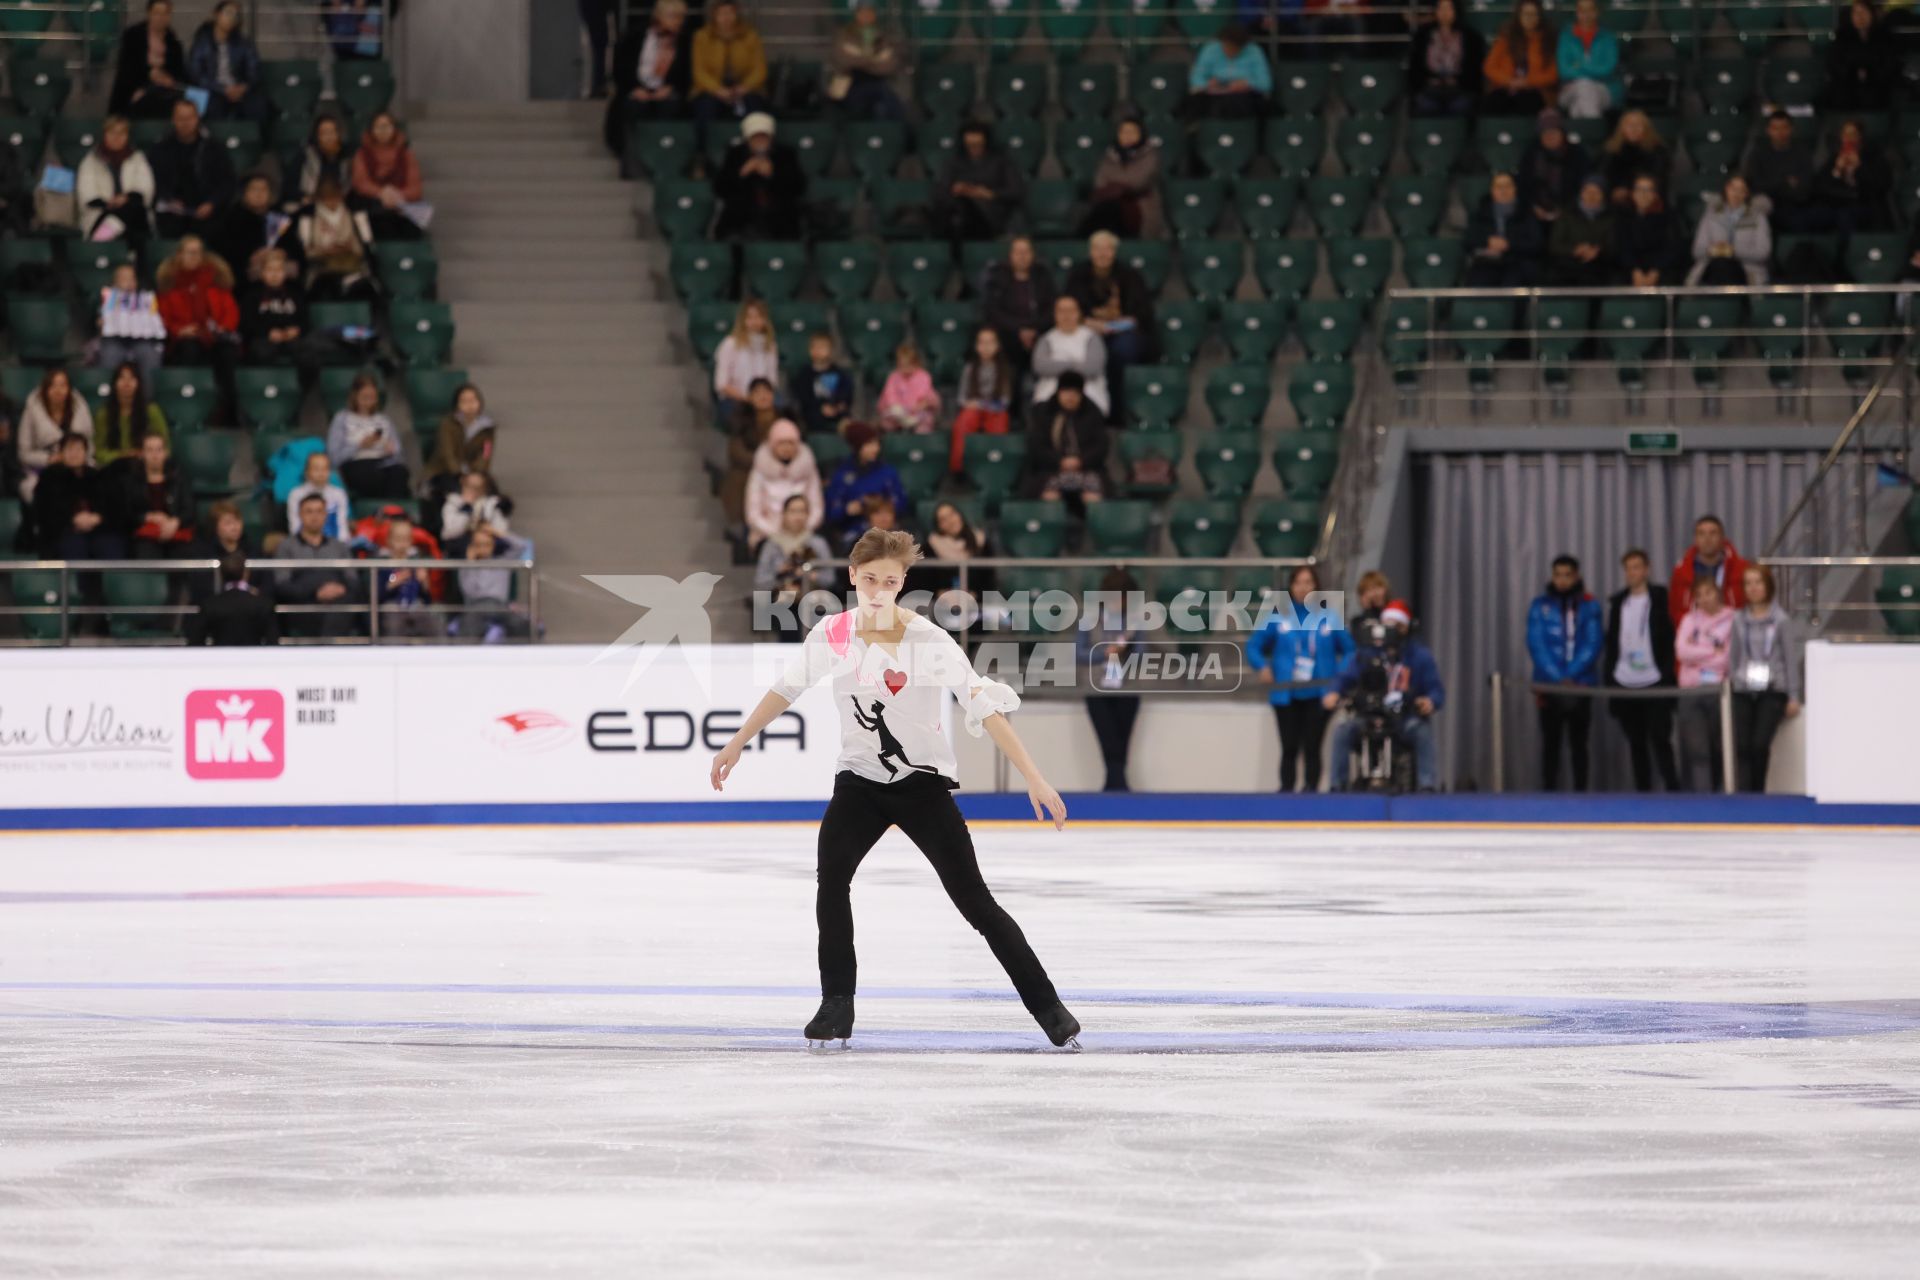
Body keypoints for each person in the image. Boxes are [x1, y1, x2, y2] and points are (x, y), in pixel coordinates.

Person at [710, 526, 1081, 1051]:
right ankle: (836, 1004)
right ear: (853, 578)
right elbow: (785, 689)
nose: (880, 590)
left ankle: (1049, 1008)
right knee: (831, 884)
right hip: (858, 783)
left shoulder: (929, 640)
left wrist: (1035, 777)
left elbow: (983, 705)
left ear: (903, 581)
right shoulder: (833, 634)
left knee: (974, 901)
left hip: (923, 787)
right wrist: (737, 742)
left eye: (891, 580)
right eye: (870, 580)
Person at [1249, 563, 1354, 794]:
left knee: (1312, 746)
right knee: (1289, 747)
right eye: (1298, 583)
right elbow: (1254, 646)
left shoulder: (1329, 617)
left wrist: (1339, 679)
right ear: (1291, 586)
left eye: (1308, 582)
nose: (1303, 588)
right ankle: (1286, 792)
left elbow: (1350, 650)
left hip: (1319, 693)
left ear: (1316, 586)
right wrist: (1262, 666)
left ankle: (1310, 792)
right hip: (1286, 693)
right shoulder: (1278, 616)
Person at [1324, 600, 1445, 792]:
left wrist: (1430, 701)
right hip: (1369, 714)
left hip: (1403, 716)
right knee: (1343, 730)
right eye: (1388, 625)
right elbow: (1344, 677)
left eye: (1398, 626)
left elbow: (1436, 690)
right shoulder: (1364, 654)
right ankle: (1337, 785)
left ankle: (1426, 785)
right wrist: (1334, 692)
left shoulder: (1420, 656)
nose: (1393, 631)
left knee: (1421, 732)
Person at [1526, 554, 1604, 791]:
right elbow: (1536, 643)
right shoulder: (1540, 606)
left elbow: (1593, 643)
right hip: (1549, 685)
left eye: (1567, 575)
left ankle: (1582, 793)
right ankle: (1548, 792)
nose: (1562, 580)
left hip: (1580, 684)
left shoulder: (1589, 606)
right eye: (1557, 575)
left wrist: (1572, 674)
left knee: (1579, 743)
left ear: (1576, 576)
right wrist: (1558, 677)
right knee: (1551, 743)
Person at [1605, 548, 1680, 792]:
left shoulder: (1660, 598)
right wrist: (1611, 681)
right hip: (1626, 679)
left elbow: (1669, 637)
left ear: (1646, 570)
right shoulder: (1618, 603)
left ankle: (1673, 789)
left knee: (1660, 739)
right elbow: (1612, 642)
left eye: (1637, 567)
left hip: (1655, 679)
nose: (1632, 573)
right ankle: (1643, 793)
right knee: (1636, 742)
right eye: (1628, 568)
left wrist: (1668, 674)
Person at [1726, 565, 1803, 793]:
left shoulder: (1780, 620)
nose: (1753, 588)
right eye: (1748, 583)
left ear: (1767, 586)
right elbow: (1734, 656)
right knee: (1741, 745)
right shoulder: (1739, 620)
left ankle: (1757, 793)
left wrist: (1793, 696)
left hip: (1773, 688)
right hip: (1743, 688)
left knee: (1759, 744)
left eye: (1758, 582)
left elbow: (1790, 658)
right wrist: (1733, 681)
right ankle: (1743, 793)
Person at [1064, 231, 1154, 423]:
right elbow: (1069, 309)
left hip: (1123, 332)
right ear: (1090, 252)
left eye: (1107, 249)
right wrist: (1089, 323)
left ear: (1114, 252)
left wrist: (1112, 326)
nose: (1102, 254)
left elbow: (1141, 314)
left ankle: (1116, 413)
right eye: (1097, 249)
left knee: (1121, 352)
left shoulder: (1130, 275)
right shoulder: (1078, 276)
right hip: (1087, 330)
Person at [1077, 568, 1144, 792]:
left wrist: (1124, 654)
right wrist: (1104, 653)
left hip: (1127, 687)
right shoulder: (1090, 619)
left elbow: (1141, 654)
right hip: (1096, 687)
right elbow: (1079, 653)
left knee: (1122, 742)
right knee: (1108, 740)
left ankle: (1114, 787)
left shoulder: (1136, 622)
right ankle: (1118, 787)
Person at [604, 0, 693, 160]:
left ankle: (665, 155)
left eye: (681, 17)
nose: (678, 21)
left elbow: (687, 74)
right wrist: (635, 88)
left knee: (671, 106)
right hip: (636, 88)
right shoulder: (635, 36)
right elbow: (620, 68)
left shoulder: (686, 42)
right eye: (673, 16)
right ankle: (632, 156)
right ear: (659, 16)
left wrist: (671, 88)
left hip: (667, 91)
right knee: (633, 107)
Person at [1674, 575, 1734, 792]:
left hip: (1719, 691)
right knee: (1697, 749)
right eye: (1698, 595)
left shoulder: (1732, 619)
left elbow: (1726, 658)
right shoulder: (1689, 620)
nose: (1704, 599)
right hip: (1691, 690)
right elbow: (1682, 652)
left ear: (1718, 592)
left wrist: (1697, 653)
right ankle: (1703, 798)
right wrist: (1711, 651)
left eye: (1708, 593)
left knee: (1720, 747)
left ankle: (1723, 794)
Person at [146, 97, 235, 237]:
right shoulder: (160, 149)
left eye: (189, 118)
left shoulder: (213, 148)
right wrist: (169, 199)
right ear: (173, 119)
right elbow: (152, 180)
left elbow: (227, 182)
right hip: (172, 211)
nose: (185, 123)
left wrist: (212, 203)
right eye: (180, 118)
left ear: (197, 118)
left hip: (208, 209)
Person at [711, 111, 806, 241]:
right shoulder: (735, 155)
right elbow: (720, 189)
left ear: (771, 138)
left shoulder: (785, 155)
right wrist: (742, 172)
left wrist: (773, 174)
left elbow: (798, 188)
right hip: (741, 221)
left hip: (779, 220)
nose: (760, 141)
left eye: (764, 137)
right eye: (755, 137)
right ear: (747, 138)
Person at [273, 491, 358, 637]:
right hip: (303, 604)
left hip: (338, 601)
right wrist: (315, 593)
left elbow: (353, 580)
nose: (314, 516)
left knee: (347, 603)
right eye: (309, 511)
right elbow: (282, 584)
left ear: (326, 514)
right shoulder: (286, 546)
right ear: (300, 514)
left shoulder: (339, 546)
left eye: (319, 511)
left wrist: (338, 589)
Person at [755, 492, 834, 641]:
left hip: (813, 596)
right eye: (793, 511)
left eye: (802, 511)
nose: (797, 516)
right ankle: (789, 654)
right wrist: (779, 574)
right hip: (783, 597)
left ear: (808, 514)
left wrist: (809, 575)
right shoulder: (772, 545)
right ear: (784, 514)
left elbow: (830, 579)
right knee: (785, 605)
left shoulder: (818, 543)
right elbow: (761, 581)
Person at [31, 433, 121, 560]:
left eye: (79, 449)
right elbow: (44, 512)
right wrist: (72, 519)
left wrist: (98, 518)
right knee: (75, 546)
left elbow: (112, 506)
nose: (75, 453)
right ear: (61, 453)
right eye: (70, 449)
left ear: (86, 453)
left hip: (98, 528)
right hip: (62, 531)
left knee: (110, 545)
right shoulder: (49, 478)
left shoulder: (97, 476)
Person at [930, 121, 1024, 244]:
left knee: (960, 214)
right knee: (953, 211)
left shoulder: (1001, 161)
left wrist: (989, 193)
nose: (973, 148)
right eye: (969, 145)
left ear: (985, 143)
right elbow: (941, 191)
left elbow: (1016, 191)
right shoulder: (954, 162)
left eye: (978, 144)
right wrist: (959, 190)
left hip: (991, 214)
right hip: (959, 211)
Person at [1024, 371, 1108, 506]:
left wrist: (1080, 461)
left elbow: (1101, 445)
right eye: (1066, 392)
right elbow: (1036, 445)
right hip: (1051, 470)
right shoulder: (1044, 413)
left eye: (1075, 393)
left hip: (1086, 470)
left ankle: (1093, 526)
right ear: (1058, 392)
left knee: (1093, 496)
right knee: (1049, 495)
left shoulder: (1092, 412)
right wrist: (1059, 461)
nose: (1070, 397)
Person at [689, 0, 770, 136]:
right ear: (714, 15)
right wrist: (717, 90)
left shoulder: (750, 36)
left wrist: (744, 87)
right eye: (721, 13)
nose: (726, 17)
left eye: (730, 13)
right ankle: (703, 150)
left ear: (736, 14)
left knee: (754, 105)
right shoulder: (702, 37)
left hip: (744, 88)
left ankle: (751, 148)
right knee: (705, 106)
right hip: (712, 89)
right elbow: (699, 72)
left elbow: (759, 70)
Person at [744, 419, 824, 556]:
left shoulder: (808, 468)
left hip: (803, 533)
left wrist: (801, 529)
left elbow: (816, 507)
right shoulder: (760, 470)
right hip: (768, 534)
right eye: (782, 443)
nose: (786, 448)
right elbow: (753, 513)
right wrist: (778, 533)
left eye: (791, 443)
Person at [824, 421, 907, 550]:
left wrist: (879, 505)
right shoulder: (842, 474)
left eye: (877, 443)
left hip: (886, 530)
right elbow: (832, 512)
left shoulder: (887, 472)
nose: (875, 448)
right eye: (869, 444)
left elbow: (901, 503)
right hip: (854, 532)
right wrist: (848, 509)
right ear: (857, 447)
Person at [15, 369, 94, 504]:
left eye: (63, 385)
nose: (58, 390)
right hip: (43, 468)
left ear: (69, 388)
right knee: (35, 489)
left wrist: (76, 458)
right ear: (46, 389)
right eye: (53, 385)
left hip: (78, 466)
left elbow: (90, 445)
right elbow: (24, 453)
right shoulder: (32, 408)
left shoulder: (80, 407)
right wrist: (49, 459)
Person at [326, 372, 409, 499]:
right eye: (364, 397)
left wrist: (391, 450)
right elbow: (334, 456)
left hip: (383, 462)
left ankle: (392, 512)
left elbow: (399, 453)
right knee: (371, 475)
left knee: (400, 473)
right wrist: (360, 445)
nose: (368, 402)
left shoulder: (384, 420)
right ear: (355, 396)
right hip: (356, 463)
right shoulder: (342, 419)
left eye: (372, 397)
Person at [113, 431, 195, 559]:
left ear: (165, 453)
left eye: (159, 450)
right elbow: (125, 513)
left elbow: (189, 510)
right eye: (150, 450)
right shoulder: (130, 481)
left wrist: (175, 522)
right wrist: (147, 517)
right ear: (142, 454)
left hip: (176, 532)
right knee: (145, 553)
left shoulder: (179, 478)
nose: (155, 455)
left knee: (186, 555)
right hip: (145, 536)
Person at [76, 115, 156, 244]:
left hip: (133, 210)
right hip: (101, 213)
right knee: (127, 214)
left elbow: (146, 188)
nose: (116, 137)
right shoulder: (91, 161)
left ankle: (101, 239)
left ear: (127, 136)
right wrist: (109, 203)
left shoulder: (137, 158)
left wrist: (126, 198)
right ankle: (131, 252)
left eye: (121, 133)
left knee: (133, 210)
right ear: (105, 135)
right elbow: (86, 193)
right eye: (112, 132)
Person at [1079, 117, 1163, 240]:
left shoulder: (1150, 155)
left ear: (1141, 134)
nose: (1127, 135)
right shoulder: (1109, 156)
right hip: (1108, 204)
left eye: (1132, 132)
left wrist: (1114, 187)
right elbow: (1099, 182)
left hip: (1139, 206)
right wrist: (1118, 187)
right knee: (1089, 210)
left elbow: (1138, 182)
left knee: (1110, 210)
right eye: (1123, 132)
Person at [295, 175, 376, 300]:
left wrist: (347, 248)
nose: (331, 202)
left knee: (362, 288)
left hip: (351, 265)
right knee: (325, 288)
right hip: (321, 269)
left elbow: (364, 246)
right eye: (326, 199)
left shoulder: (353, 214)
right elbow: (305, 250)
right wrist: (324, 251)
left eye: (335, 198)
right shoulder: (308, 218)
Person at [980, 236, 1056, 370]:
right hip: (1008, 335)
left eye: (1026, 252)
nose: (1022, 256)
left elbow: (1051, 308)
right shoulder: (998, 277)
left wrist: (1033, 329)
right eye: (1018, 252)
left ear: (1032, 255)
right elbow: (993, 311)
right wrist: (1020, 329)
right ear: (1010, 255)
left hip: (1039, 332)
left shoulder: (1043, 276)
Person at [238, 248, 313, 377]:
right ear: (262, 273)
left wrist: (296, 330)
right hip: (263, 339)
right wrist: (268, 333)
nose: (274, 274)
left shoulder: (295, 294)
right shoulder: (252, 295)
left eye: (278, 270)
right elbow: (246, 324)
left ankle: (309, 393)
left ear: (285, 273)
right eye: (270, 270)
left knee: (307, 352)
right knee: (261, 351)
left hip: (291, 339)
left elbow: (305, 321)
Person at [186, 1, 265, 123]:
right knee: (211, 106)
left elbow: (254, 71)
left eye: (236, 15)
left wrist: (242, 87)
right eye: (228, 13)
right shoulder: (202, 42)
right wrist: (222, 89)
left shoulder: (243, 43)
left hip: (238, 90)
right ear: (216, 15)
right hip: (212, 90)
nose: (232, 18)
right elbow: (196, 73)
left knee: (258, 106)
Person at [949, 325, 1014, 474]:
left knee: (999, 421)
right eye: (982, 343)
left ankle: (995, 467)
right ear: (976, 346)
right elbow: (962, 398)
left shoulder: (1004, 369)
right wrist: (973, 405)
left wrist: (983, 404)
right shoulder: (969, 368)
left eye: (990, 342)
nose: (986, 347)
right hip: (973, 410)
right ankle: (959, 468)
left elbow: (1005, 401)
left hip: (995, 410)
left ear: (997, 346)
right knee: (963, 422)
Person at [1030, 294, 1109, 416]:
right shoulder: (1046, 338)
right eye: (1061, 311)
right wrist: (1074, 363)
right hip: (1051, 393)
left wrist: (1057, 365)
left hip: (1087, 391)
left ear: (1079, 313)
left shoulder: (1091, 337)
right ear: (1055, 314)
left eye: (1071, 310)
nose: (1066, 315)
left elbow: (1093, 367)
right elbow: (1040, 366)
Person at [351, 111, 425, 240]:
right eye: (379, 127)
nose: (383, 131)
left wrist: (398, 196)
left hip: (401, 202)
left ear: (394, 129)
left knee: (413, 217)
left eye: (387, 126)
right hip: (373, 202)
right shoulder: (362, 154)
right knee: (379, 216)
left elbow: (415, 188)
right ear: (372, 130)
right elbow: (360, 182)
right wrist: (382, 193)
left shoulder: (406, 155)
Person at [1745, 109, 1821, 233]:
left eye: (1784, 127)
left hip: (1795, 207)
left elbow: (1804, 190)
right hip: (1765, 204)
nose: (1780, 132)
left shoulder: (1803, 154)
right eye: (1775, 128)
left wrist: (1772, 185)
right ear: (1768, 130)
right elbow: (1755, 185)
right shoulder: (1758, 154)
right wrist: (1785, 182)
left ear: (1791, 129)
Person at [1687, 174, 1771, 287]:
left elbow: (1763, 252)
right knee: (1720, 265)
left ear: (1747, 193)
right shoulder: (1711, 215)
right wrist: (1713, 250)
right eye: (1733, 188)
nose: (1736, 193)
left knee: (1725, 266)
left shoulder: (1758, 218)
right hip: (1713, 268)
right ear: (1726, 189)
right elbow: (1697, 251)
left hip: (1746, 271)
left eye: (1741, 190)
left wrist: (1732, 251)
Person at [213, 174, 295, 286]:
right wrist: (252, 256)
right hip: (245, 273)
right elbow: (223, 248)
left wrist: (283, 252)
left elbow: (295, 246)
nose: (259, 194)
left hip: (279, 269)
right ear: (245, 193)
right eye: (254, 189)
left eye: (263, 189)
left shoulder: (279, 216)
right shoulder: (232, 217)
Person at [110, 0, 187, 119]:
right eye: (157, 13)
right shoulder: (133, 35)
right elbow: (126, 68)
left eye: (165, 14)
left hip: (165, 92)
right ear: (149, 14)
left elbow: (179, 72)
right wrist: (150, 74)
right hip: (133, 88)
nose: (160, 18)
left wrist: (168, 79)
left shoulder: (174, 43)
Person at [1464, 171, 1543, 287]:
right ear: (1492, 190)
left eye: (1507, 186)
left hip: (1518, 263)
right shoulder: (1480, 213)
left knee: (1513, 285)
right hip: (1486, 263)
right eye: (1499, 186)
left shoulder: (1527, 213)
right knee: (1476, 285)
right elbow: (1468, 240)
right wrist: (1488, 242)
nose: (1503, 190)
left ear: (1514, 189)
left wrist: (1509, 244)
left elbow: (1536, 243)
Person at [829, 1, 904, 122]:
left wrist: (860, 58)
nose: (866, 15)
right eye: (863, 12)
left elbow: (890, 64)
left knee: (890, 104)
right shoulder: (844, 34)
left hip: (878, 81)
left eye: (870, 12)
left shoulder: (884, 36)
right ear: (856, 14)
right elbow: (842, 59)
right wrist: (874, 59)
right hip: (850, 81)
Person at [450, 524, 525, 643]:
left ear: (493, 544)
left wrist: (497, 532)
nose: (483, 548)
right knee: (468, 625)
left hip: (500, 607)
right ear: (472, 546)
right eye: (478, 545)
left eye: (487, 544)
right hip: (476, 607)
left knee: (521, 623)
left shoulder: (503, 561)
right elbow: (469, 592)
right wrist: (470, 564)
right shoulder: (466, 567)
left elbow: (521, 545)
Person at [1668, 515, 1749, 625]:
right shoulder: (1681, 571)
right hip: (1694, 636)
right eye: (1701, 534)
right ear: (1695, 539)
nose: (1707, 539)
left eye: (1713, 533)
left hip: (1731, 633)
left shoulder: (1741, 568)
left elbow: (1750, 605)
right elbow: (1674, 609)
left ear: (1722, 538)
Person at [1409, 0, 1485, 118]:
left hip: (1460, 88)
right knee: (1424, 105)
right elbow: (1415, 67)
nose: (1444, 13)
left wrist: (1458, 81)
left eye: (1448, 9)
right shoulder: (1422, 35)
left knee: (1461, 105)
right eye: (1441, 8)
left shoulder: (1471, 37)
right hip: (1429, 88)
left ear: (1456, 11)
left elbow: (1474, 70)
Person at [1814, 119, 1891, 234]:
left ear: (1860, 137)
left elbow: (1880, 186)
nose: (1848, 139)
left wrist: (1859, 167)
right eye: (1845, 134)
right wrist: (1837, 171)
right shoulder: (1834, 158)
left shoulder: (1873, 157)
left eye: (1853, 135)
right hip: (1837, 204)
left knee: (1845, 216)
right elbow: (1821, 185)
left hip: (1865, 204)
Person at [95, 262, 168, 383]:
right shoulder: (106, 298)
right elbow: (96, 319)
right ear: (115, 281)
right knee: (110, 355)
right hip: (114, 340)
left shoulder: (146, 299)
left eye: (132, 278)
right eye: (124, 279)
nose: (128, 282)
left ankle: (148, 399)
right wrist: (100, 322)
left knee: (150, 355)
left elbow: (157, 324)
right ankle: (108, 397)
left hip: (142, 340)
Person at [723, 376, 781, 526]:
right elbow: (736, 451)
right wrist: (762, 462)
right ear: (749, 397)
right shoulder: (741, 421)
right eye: (757, 392)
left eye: (766, 392)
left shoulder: (784, 421)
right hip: (748, 471)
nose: (763, 396)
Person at [1482, 0, 1556, 116]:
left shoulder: (1547, 40)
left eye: (1534, 14)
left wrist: (1528, 82)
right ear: (1519, 16)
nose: (1530, 18)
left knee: (1527, 101)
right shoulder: (1505, 38)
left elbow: (1553, 74)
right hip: (1506, 87)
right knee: (1493, 102)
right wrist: (1510, 81)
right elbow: (1489, 67)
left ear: (1539, 17)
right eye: (1526, 14)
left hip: (1534, 90)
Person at [1187, 20, 1272, 118]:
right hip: (1214, 95)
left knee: (1250, 103)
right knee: (1195, 102)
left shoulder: (1254, 51)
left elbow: (1265, 83)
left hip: (1245, 97)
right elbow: (1196, 78)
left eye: (1235, 48)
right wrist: (1207, 84)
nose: (1230, 51)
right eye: (1227, 47)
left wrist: (1247, 84)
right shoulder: (1210, 49)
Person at [186, 553, 277, 645]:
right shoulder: (263, 604)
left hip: (220, 658)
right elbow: (273, 642)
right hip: (252, 658)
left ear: (221, 575)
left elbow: (195, 641)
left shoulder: (210, 604)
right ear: (246, 573)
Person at [1826, 0, 1897, 113]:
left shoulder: (1884, 36)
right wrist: (1853, 72)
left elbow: (1889, 65)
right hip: (1847, 88)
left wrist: (1870, 73)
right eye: (1856, 13)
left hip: (1877, 87)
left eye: (1864, 12)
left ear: (1872, 14)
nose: (1860, 16)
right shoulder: (1842, 37)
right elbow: (1835, 65)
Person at [94, 362, 169, 468]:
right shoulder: (104, 414)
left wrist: (146, 454)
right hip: (114, 469)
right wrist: (122, 456)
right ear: (114, 383)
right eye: (122, 378)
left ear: (139, 383)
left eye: (132, 378)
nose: (127, 382)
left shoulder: (152, 411)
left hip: (144, 468)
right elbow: (98, 452)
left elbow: (166, 447)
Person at [1519, 107, 1587, 225]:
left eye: (1554, 132)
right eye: (1545, 132)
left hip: (1570, 212)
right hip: (1535, 213)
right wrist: (1534, 207)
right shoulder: (1531, 154)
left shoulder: (1577, 154)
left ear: (1562, 133)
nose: (1549, 136)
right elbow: (1523, 185)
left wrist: (1565, 210)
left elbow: (1582, 185)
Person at [1613, 172, 1682, 286]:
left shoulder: (1669, 216)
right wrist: (1635, 270)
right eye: (1639, 189)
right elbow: (1622, 247)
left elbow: (1673, 248)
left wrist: (1656, 271)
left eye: (1648, 189)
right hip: (1630, 270)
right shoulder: (1623, 217)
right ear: (1632, 193)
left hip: (1662, 270)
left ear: (1655, 194)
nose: (1643, 194)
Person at [1555, 0, 1620, 119]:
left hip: (1603, 89)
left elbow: (1608, 70)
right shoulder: (1566, 36)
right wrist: (1592, 68)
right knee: (1584, 86)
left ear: (1597, 12)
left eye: (1590, 10)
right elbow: (1564, 71)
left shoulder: (1607, 37)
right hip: (1569, 89)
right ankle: (1595, 131)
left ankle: (1584, 134)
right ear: (1577, 12)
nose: (1586, 14)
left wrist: (1579, 65)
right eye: (1582, 10)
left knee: (1578, 103)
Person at [712, 298, 780, 413]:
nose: (755, 321)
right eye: (750, 317)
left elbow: (772, 381)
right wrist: (748, 398)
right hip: (735, 399)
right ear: (742, 320)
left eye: (759, 317)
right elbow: (721, 384)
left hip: (763, 397)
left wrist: (762, 398)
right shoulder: (729, 344)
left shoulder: (771, 346)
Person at [375, 516, 437, 639]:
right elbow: (377, 596)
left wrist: (424, 582)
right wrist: (393, 582)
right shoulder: (382, 564)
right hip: (392, 605)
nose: (402, 544)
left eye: (406, 539)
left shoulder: (416, 563)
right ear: (389, 540)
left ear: (411, 541)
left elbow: (427, 600)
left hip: (415, 605)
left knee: (433, 623)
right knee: (393, 623)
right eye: (398, 539)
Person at [1547, 175, 1615, 286]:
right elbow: (1555, 244)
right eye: (1587, 191)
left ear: (1603, 195)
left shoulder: (1611, 217)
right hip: (1568, 269)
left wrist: (1597, 251)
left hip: (1600, 269)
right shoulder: (1567, 215)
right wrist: (1575, 249)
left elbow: (1613, 245)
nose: (1591, 196)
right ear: (1581, 193)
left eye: (1596, 192)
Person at [1602, 110, 1669, 208]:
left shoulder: (1658, 151)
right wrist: (1614, 190)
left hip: (1647, 196)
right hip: (1615, 198)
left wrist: (1630, 191)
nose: (1634, 129)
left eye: (1638, 125)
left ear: (1646, 129)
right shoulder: (1611, 150)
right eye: (1629, 125)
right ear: (1622, 129)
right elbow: (1604, 173)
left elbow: (1658, 177)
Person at [791, 332, 853, 437]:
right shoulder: (804, 374)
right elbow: (803, 397)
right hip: (813, 415)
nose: (818, 351)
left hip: (837, 413)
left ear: (831, 350)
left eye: (822, 347)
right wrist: (820, 408)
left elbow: (846, 393)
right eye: (815, 347)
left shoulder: (840, 373)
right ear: (810, 350)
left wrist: (836, 407)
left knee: (849, 425)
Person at [877, 341, 940, 435]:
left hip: (917, 412)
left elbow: (928, 395)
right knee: (888, 421)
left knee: (925, 422)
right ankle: (893, 444)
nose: (906, 369)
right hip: (898, 412)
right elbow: (889, 395)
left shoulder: (924, 376)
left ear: (916, 363)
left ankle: (919, 445)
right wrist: (898, 408)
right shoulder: (894, 376)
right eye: (902, 366)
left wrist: (924, 403)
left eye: (909, 366)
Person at [286, 450, 351, 540]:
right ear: (307, 471)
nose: (321, 473)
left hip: (333, 545)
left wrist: (341, 547)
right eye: (316, 469)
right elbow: (295, 526)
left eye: (325, 469)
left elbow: (342, 526)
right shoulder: (296, 494)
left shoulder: (339, 494)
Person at [294, 114, 352, 206]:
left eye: (332, 132)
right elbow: (290, 188)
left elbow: (350, 187)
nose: (329, 137)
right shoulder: (306, 156)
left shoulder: (347, 156)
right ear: (317, 136)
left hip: (340, 204)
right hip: (311, 204)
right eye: (324, 133)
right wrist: (303, 198)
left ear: (338, 134)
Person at [440, 470, 511, 546]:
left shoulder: (492, 504)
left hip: (488, 548)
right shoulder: (453, 502)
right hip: (457, 548)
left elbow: (502, 532)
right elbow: (448, 532)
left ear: (484, 489)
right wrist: (466, 507)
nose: (471, 490)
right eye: (468, 485)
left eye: (477, 487)